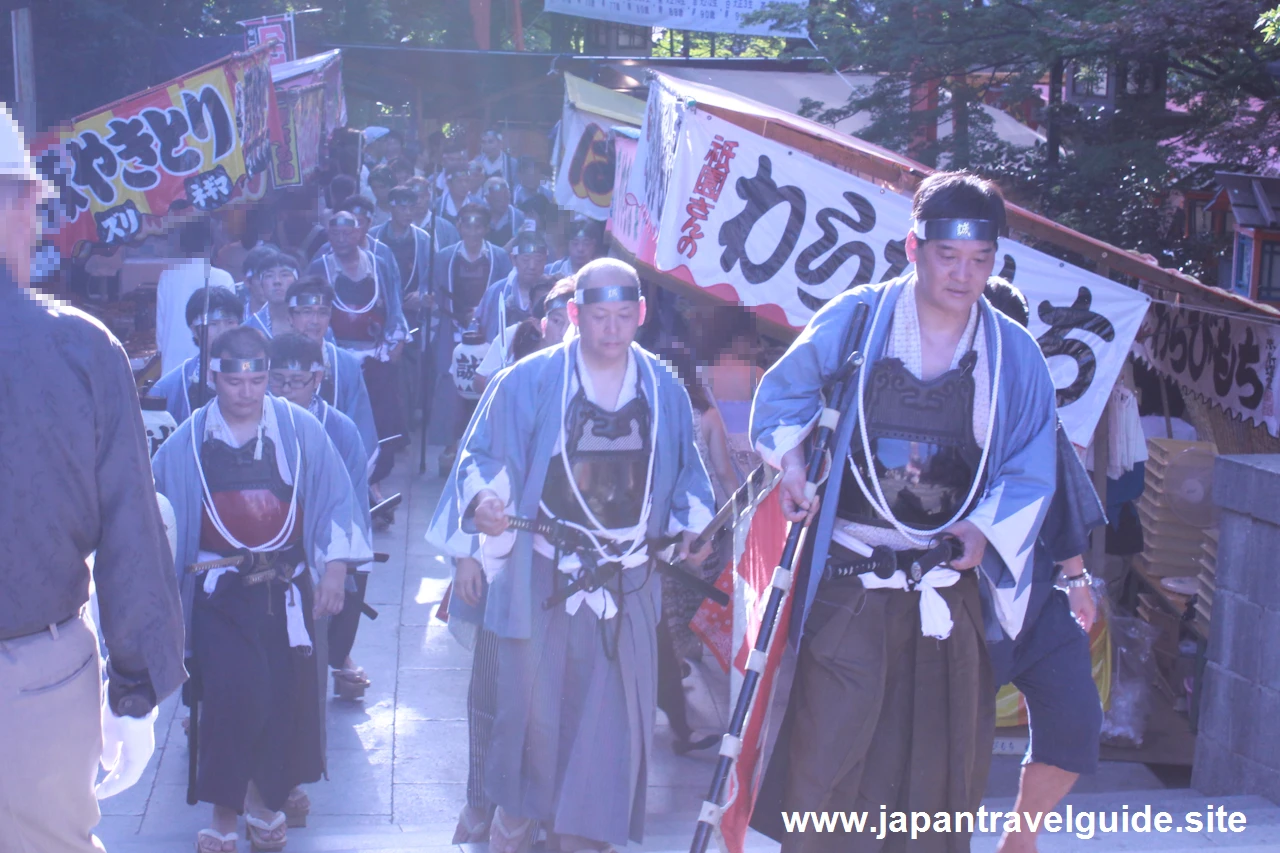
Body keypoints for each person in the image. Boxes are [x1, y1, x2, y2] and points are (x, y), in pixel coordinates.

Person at [749, 172, 1059, 853]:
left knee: (939, 777)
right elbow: (783, 398)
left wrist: (983, 528)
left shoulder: (1016, 355)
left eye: (981, 260)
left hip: (949, 593)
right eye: (949, 255)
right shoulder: (857, 318)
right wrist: (793, 465)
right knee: (824, 762)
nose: (964, 273)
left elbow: (1033, 467)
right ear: (912, 247)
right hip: (853, 580)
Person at [456, 257, 715, 852]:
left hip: (626, 580)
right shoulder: (529, 379)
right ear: (575, 314)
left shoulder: (662, 386)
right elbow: (481, 457)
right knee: (533, 720)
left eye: (626, 315)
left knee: (612, 725)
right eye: (599, 316)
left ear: (642, 315)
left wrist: (691, 532)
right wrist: (485, 505)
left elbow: (687, 480)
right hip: (548, 573)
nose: (612, 329)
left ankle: (582, 838)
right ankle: (515, 825)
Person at [0, 108, 186, 851]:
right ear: (15, 202)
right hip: (33, 681)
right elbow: (131, 532)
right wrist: (133, 690)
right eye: (36, 209)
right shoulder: (79, 349)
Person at [152, 326, 373, 853]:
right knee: (232, 694)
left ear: (267, 378)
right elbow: (159, 514)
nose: (245, 394)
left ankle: (265, 798)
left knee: (281, 695)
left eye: (254, 383)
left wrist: (335, 570)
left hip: (286, 585)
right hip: (219, 588)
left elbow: (336, 497)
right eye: (232, 383)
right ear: (215, 379)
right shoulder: (188, 441)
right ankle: (226, 813)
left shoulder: (299, 431)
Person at [979, 279, 1106, 853]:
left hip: (1033, 598)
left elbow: (1060, 496)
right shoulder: (926, 390)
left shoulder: (1034, 399)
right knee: (943, 746)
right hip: (956, 600)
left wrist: (1078, 579)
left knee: (1076, 721)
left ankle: (1020, 838)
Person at [267, 333, 376, 702]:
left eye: (296, 382)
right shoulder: (254, 419)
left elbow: (353, 508)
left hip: (319, 546)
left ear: (318, 379)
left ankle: (338, 654)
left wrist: (338, 563)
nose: (285, 390)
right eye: (277, 379)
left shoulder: (341, 429)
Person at [308, 209, 410, 488]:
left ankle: (373, 484)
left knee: (382, 425)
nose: (341, 238)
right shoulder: (319, 267)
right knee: (342, 423)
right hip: (337, 362)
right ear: (328, 235)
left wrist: (396, 343)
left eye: (347, 232)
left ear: (359, 232)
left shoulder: (379, 264)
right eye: (335, 233)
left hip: (376, 357)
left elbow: (395, 305)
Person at [428, 204, 512, 467]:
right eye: (467, 225)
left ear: (486, 228)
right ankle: (452, 445)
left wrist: (484, 310)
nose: (473, 231)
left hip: (486, 335)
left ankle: (482, 445)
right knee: (451, 388)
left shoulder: (499, 257)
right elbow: (433, 290)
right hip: (453, 330)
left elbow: (504, 294)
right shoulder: (444, 257)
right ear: (459, 227)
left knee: (484, 387)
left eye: (478, 226)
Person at [285, 277, 379, 468]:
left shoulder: (346, 364)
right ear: (290, 317)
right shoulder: (272, 360)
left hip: (336, 465)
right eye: (306, 312)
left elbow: (360, 424)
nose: (314, 321)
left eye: (322, 313)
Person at [149, 286, 245, 424]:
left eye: (230, 322)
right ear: (194, 330)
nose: (223, 331)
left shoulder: (257, 375)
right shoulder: (169, 388)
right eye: (213, 324)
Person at [156, 220, 238, 375]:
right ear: (213, 246)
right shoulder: (223, 278)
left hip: (172, 364)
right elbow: (230, 328)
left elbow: (161, 329)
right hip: (212, 366)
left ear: (183, 247)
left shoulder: (167, 276)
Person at [475, 274, 571, 394]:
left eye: (571, 323)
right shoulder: (512, 335)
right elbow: (480, 381)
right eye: (557, 321)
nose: (564, 331)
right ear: (539, 323)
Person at [476, 230, 548, 347]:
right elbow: (478, 327)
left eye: (538, 260)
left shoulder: (552, 291)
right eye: (526, 259)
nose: (532, 266)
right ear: (513, 259)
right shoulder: (497, 291)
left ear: (545, 260)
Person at [370, 185, 436, 309]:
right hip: (380, 307)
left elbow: (433, 274)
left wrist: (421, 293)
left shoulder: (423, 239)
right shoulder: (374, 236)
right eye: (403, 208)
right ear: (391, 207)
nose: (408, 213)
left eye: (412, 208)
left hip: (413, 309)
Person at [244, 250, 301, 339]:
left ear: (297, 281)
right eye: (269, 276)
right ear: (261, 284)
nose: (277, 281)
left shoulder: (313, 322)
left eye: (285, 275)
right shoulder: (249, 328)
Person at [406, 174, 460, 249]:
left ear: (428, 196)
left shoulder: (447, 229)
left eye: (422, 196)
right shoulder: (400, 226)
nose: (418, 201)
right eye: (414, 197)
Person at [237, 243, 280, 318]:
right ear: (247, 281)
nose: (272, 283)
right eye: (262, 277)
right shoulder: (234, 311)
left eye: (270, 276)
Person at [483, 178, 526, 247]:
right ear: (487, 198)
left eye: (506, 198)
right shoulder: (480, 217)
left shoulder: (519, 217)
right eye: (498, 200)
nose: (503, 203)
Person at [512, 155, 554, 223]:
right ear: (520, 175)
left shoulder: (549, 195)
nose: (534, 179)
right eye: (530, 175)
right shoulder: (514, 196)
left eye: (536, 174)